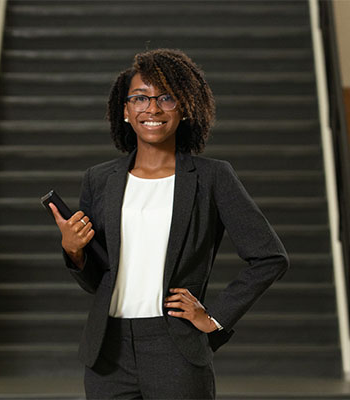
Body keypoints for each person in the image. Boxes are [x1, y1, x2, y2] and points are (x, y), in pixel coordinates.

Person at [49, 48, 289, 399]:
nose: (153, 108)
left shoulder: (212, 178)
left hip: (175, 347)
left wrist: (214, 317)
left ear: (186, 108)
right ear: (126, 111)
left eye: (167, 98)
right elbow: (96, 281)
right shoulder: (99, 180)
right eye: (140, 98)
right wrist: (73, 251)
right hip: (107, 354)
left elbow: (270, 257)